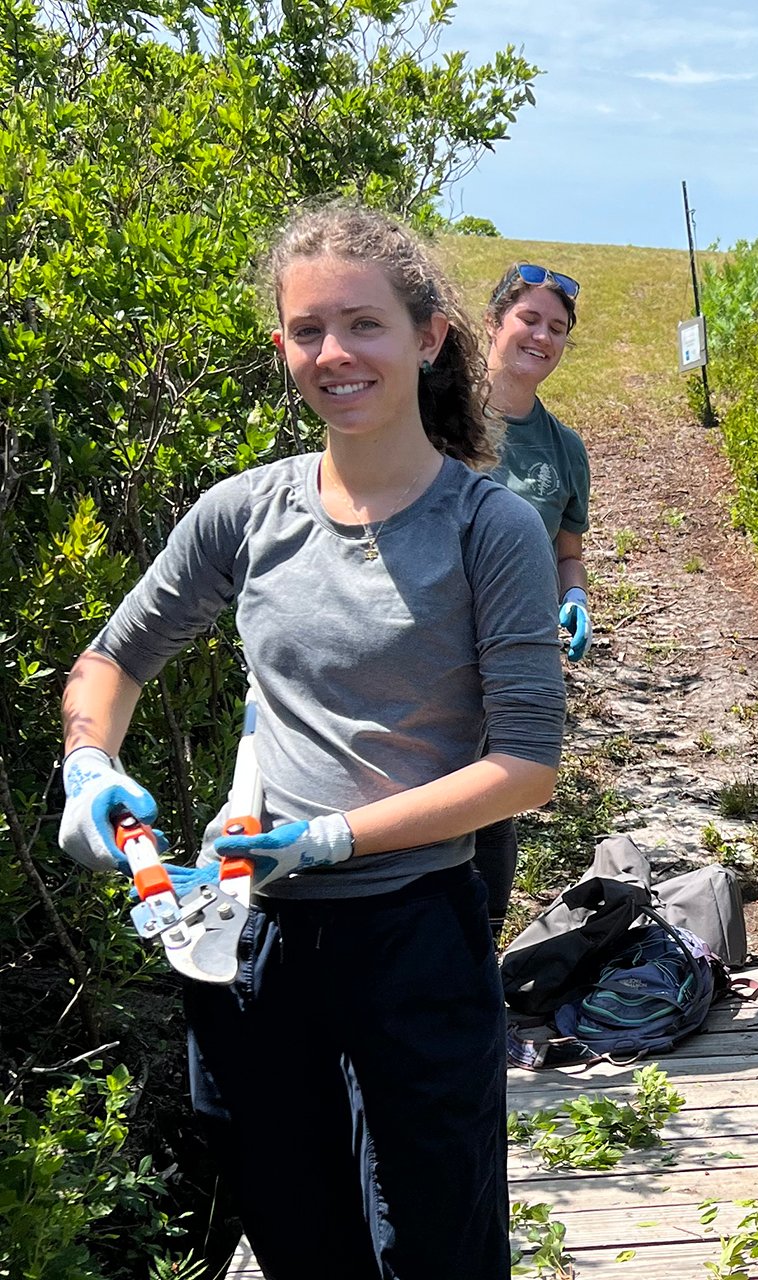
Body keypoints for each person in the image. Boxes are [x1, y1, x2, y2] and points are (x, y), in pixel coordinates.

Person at [56, 205, 565, 1279]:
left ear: (427, 337)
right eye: (306, 330)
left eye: (363, 324)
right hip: (250, 938)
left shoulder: (490, 529)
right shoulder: (245, 512)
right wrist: (89, 764)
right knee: (298, 1236)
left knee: (437, 1243)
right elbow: (111, 661)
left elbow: (525, 764)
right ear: (283, 346)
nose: (335, 353)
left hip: (416, 937)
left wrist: (334, 838)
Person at [472, 260, 592, 940]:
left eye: (557, 328)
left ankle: (479, 972)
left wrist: (573, 597)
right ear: (493, 323)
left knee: (493, 810)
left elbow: (565, 551)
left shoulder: (564, 449)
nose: (542, 337)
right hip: (422, 652)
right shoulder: (429, 411)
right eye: (529, 320)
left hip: (512, 658)